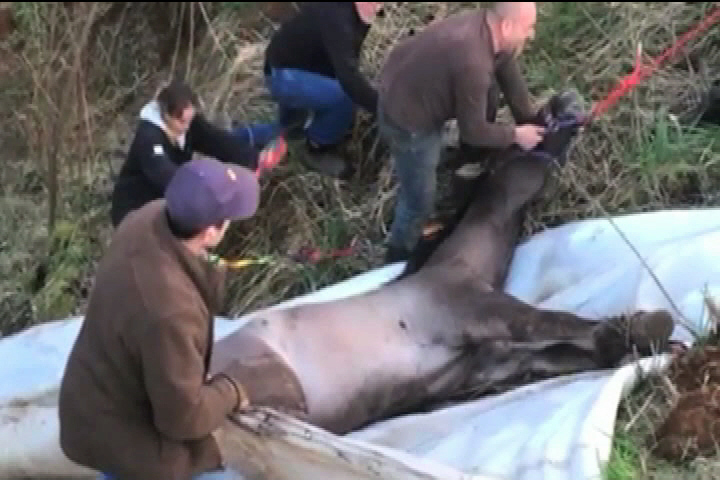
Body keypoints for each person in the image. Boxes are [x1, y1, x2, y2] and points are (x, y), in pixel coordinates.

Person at [59, 157, 265, 479]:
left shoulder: (146, 218)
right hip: (127, 439)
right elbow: (182, 418)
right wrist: (232, 391)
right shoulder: (169, 312)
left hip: (94, 403)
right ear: (211, 233)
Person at [376, 2, 547, 263]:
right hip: (405, 119)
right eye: (528, 28)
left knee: (488, 92)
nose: (531, 35)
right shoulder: (473, 62)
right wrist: (515, 135)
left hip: (406, 80)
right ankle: (398, 258)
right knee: (418, 201)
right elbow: (472, 131)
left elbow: (507, 70)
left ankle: (470, 161)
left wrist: (532, 121)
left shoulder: (485, 29)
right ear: (507, 25)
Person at [110, 79, 286, 228]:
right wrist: (206, 194)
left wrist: (253, 159)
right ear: (166, 115)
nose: (187, 127)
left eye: (190, 120)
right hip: (136, 212)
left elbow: (215, 140)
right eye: (182, 122)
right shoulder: (149, 139)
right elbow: (165, 175)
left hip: (166, 204)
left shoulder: (188, 125)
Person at [242, 2, 384, 180]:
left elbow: (347, 56)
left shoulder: (354, 12)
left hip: (294, 66)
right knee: (345, 98)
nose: (380, 6)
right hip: (286, 77)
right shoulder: (337, 17)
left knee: (289, 130)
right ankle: (317, 148)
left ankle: (230, 138)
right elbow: (349, 80)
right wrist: (383, 108)